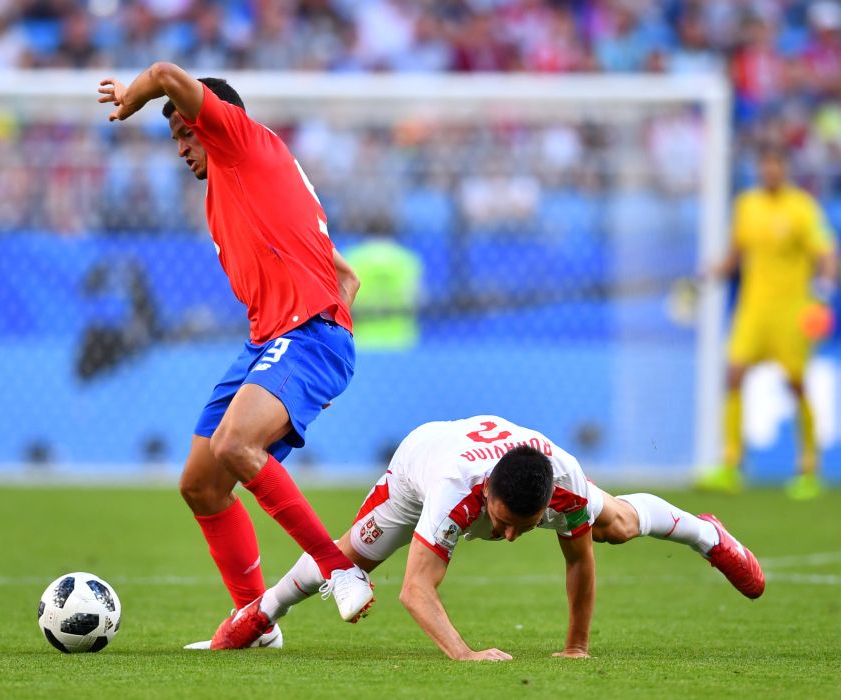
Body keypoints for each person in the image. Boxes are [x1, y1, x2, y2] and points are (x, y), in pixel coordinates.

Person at [96, 64, 374, 642]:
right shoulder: (239, 183)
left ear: (214, 122)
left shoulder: (244, 141)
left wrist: (132, 97)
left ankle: (339, 568)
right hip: (274, 343)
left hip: (306, 334)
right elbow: (346, 276)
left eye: (185, 134)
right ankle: (255, 620)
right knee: (200, 483)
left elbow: (168, 73)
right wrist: (313, 380)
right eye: (175, 139)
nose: (180, 150)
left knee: (236, 444)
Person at [193, 415, 765, 657]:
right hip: (421, 462)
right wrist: (464, 656)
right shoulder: (451, 491)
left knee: (617, 524)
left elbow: (580, 563)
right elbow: (416, 590)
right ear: (487, 495)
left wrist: (575, 649)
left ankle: (705, 535)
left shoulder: (560, 484)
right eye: (504, 522)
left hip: (525, 451)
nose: (510, 537)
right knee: (351, 556)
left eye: (525, 524)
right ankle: (261, 612)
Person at [697, 145, 838, 500]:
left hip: (791, 312)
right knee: (733, 375)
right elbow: (735, 255)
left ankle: (808, 467)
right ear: (761, 170)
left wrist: (822, 294)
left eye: (776, 166)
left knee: (796, 384)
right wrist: (707, 275)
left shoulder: (801, 207)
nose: (770, 172)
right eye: (766, 166)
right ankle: (731, 463)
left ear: (785, 170)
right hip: (753, 310)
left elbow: (827, 255)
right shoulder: (747, 206)